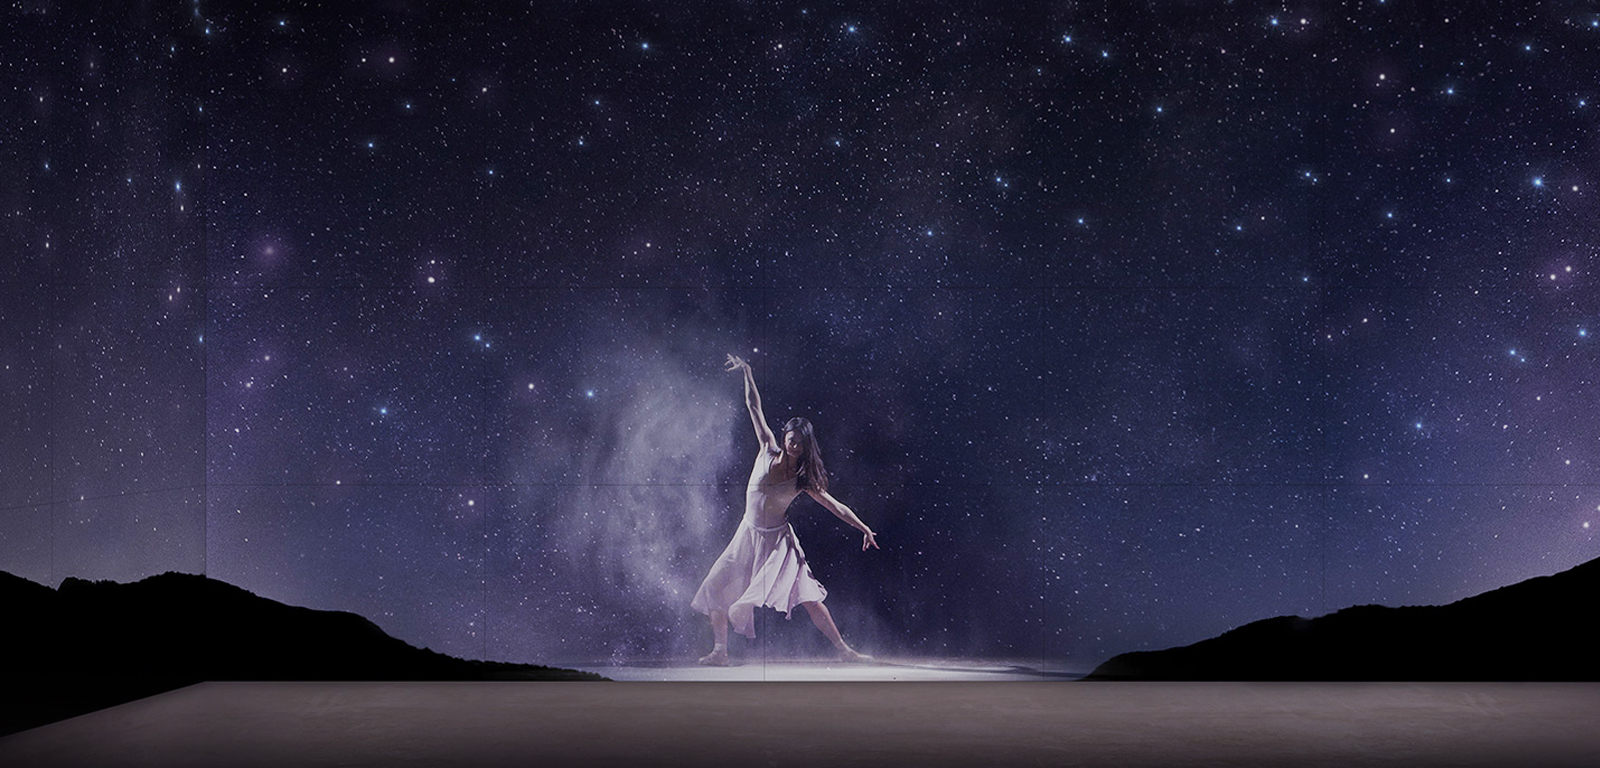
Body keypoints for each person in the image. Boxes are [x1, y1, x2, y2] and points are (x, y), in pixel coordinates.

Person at [690, 353, 879, 665]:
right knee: (715, 586)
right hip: (747, 535)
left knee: (809, 597)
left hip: (778, 542)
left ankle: (845, 650)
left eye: (800, 444)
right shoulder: (766, 448)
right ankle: (720, 651)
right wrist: (748, 373)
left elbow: (835, 506)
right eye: (791, 440)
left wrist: (864, 528)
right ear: (784, 437)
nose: (794, 446)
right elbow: (754, 407)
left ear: (806, 447)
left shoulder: (803, 479)